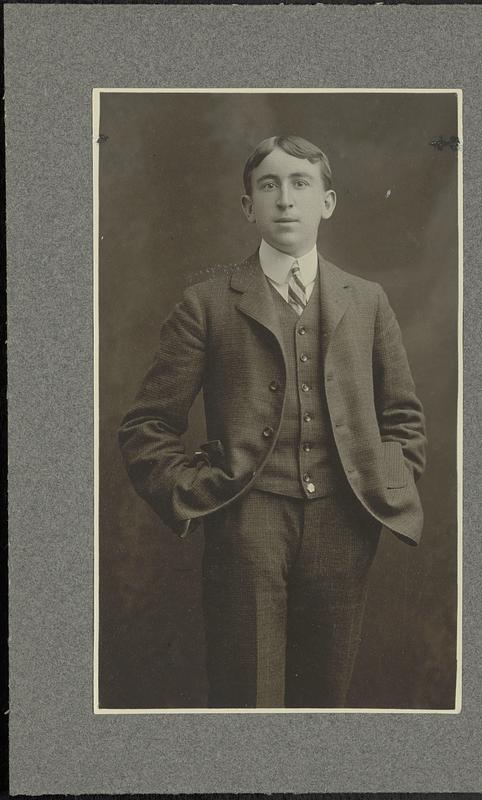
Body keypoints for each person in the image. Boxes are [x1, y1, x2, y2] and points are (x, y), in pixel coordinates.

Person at [118, 135, 427, 709]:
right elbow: (147, 426)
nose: (285, 200)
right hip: (246, 527)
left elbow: (403, 417)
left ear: (327, 203)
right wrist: (195, 490)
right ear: (248, 206)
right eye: (269, 185)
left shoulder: (367, 301)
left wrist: (383, 485)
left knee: (325, 705)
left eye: (300, 184)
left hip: (344, 525)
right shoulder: (206, 304)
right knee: (247, 701)